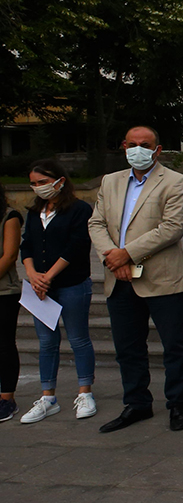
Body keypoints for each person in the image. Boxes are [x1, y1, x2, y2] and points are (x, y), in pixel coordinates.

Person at [86, 127, 183, 433]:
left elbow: (171, 228)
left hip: (162, 278)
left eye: (145, 145)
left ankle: (177, 404)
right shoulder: (111, 181)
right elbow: (96, 223)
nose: (138, 149)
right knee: (128, 347)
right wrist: (112, 256)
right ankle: (137, 403)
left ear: (157, 150)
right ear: (123, 147)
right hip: (119, 278)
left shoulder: (175, 181)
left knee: (174, 345)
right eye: (132, 145)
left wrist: (127, 254)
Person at [19, 160, 96, 424]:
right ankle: (47, 397)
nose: (38, 187)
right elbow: (27, 245)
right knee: (46, 343)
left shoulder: (79, 209)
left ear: (59, 181)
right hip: (39, 288)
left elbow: (76, 246)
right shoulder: (34, 212)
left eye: (43, 182)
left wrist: (48, 276)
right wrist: (32, 274)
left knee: (78, 339)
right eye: (34, 183)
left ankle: (85, 392)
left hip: (71, 283)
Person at [0, 185, 24, 423]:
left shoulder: (9, 216)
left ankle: (7, 399)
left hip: (3, 292)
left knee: (4, 345)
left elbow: (9, 256)